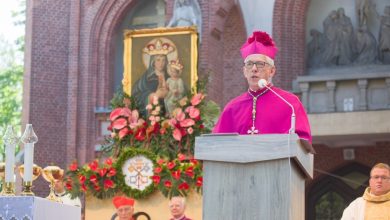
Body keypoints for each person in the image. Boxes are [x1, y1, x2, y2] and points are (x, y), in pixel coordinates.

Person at [212, 31, 312, 143]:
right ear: (244, 71)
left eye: (260, 64)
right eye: (249, 64)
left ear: (272, 71)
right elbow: (217, 144)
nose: (254, 69)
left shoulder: (290, 104)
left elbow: (303, 143)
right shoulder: (231, 108)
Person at [132, 39, 172, 115]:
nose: (161, 63)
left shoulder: (170, 77)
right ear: (153, 62)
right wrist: (153, 96)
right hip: (152, 116)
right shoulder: (146, 78)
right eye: (158, 60)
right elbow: (136, 95)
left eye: (163, 60)